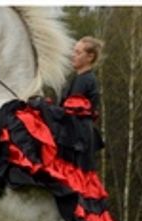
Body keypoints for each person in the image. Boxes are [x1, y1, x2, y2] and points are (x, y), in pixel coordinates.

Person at [60, 37, 105, 171]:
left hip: (76, 139)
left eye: (78, 53)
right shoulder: (80, 78)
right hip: (77, 135)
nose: (73, 56)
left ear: (90, 57)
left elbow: (70, 111)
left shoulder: (85, 80)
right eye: (74, 52)